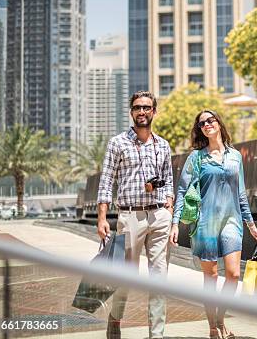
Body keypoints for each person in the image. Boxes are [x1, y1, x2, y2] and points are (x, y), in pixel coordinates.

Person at [170, 110, 257, 339]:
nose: (206, 124)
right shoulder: (197, 158)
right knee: (210, 278)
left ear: (219, 124)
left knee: (233, 275)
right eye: (202, 123)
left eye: (210, 120)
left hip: (232, 221)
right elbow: (182, 190)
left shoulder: (236, 156)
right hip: (205, 223)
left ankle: (220, 319)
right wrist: (175, 223)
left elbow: (241, 193)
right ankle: (213, 328)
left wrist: (251, 226)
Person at [97, 91, 174, 339]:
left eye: (147, 107)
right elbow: (106, 181)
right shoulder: (117, 143)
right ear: (131, 112)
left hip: (159, 216)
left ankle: (157, 335)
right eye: (138, 108)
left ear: (154, 111)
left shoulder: (163, 145)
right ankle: (115, 318)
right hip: (130, 217)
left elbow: (169, 180)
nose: (142, 112)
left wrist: (169, 207)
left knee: (159, 278)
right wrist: (101, 218)